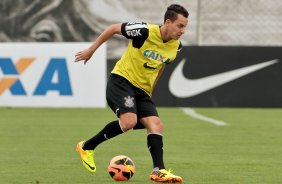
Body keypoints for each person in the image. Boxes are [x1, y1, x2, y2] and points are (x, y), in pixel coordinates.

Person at [75, 4, 189, 183]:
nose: (183, 30)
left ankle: (159, 171)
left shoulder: (177, 47)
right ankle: (86, 147)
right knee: (129, 122)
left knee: (156, 125)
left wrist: (150, 90)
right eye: (180, 26)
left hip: (142, 90)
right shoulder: (144, 31)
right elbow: (113, 29)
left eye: (185, 27)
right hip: (122, 82)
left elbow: (161, 66)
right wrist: (91, 50)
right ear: (168, 22)